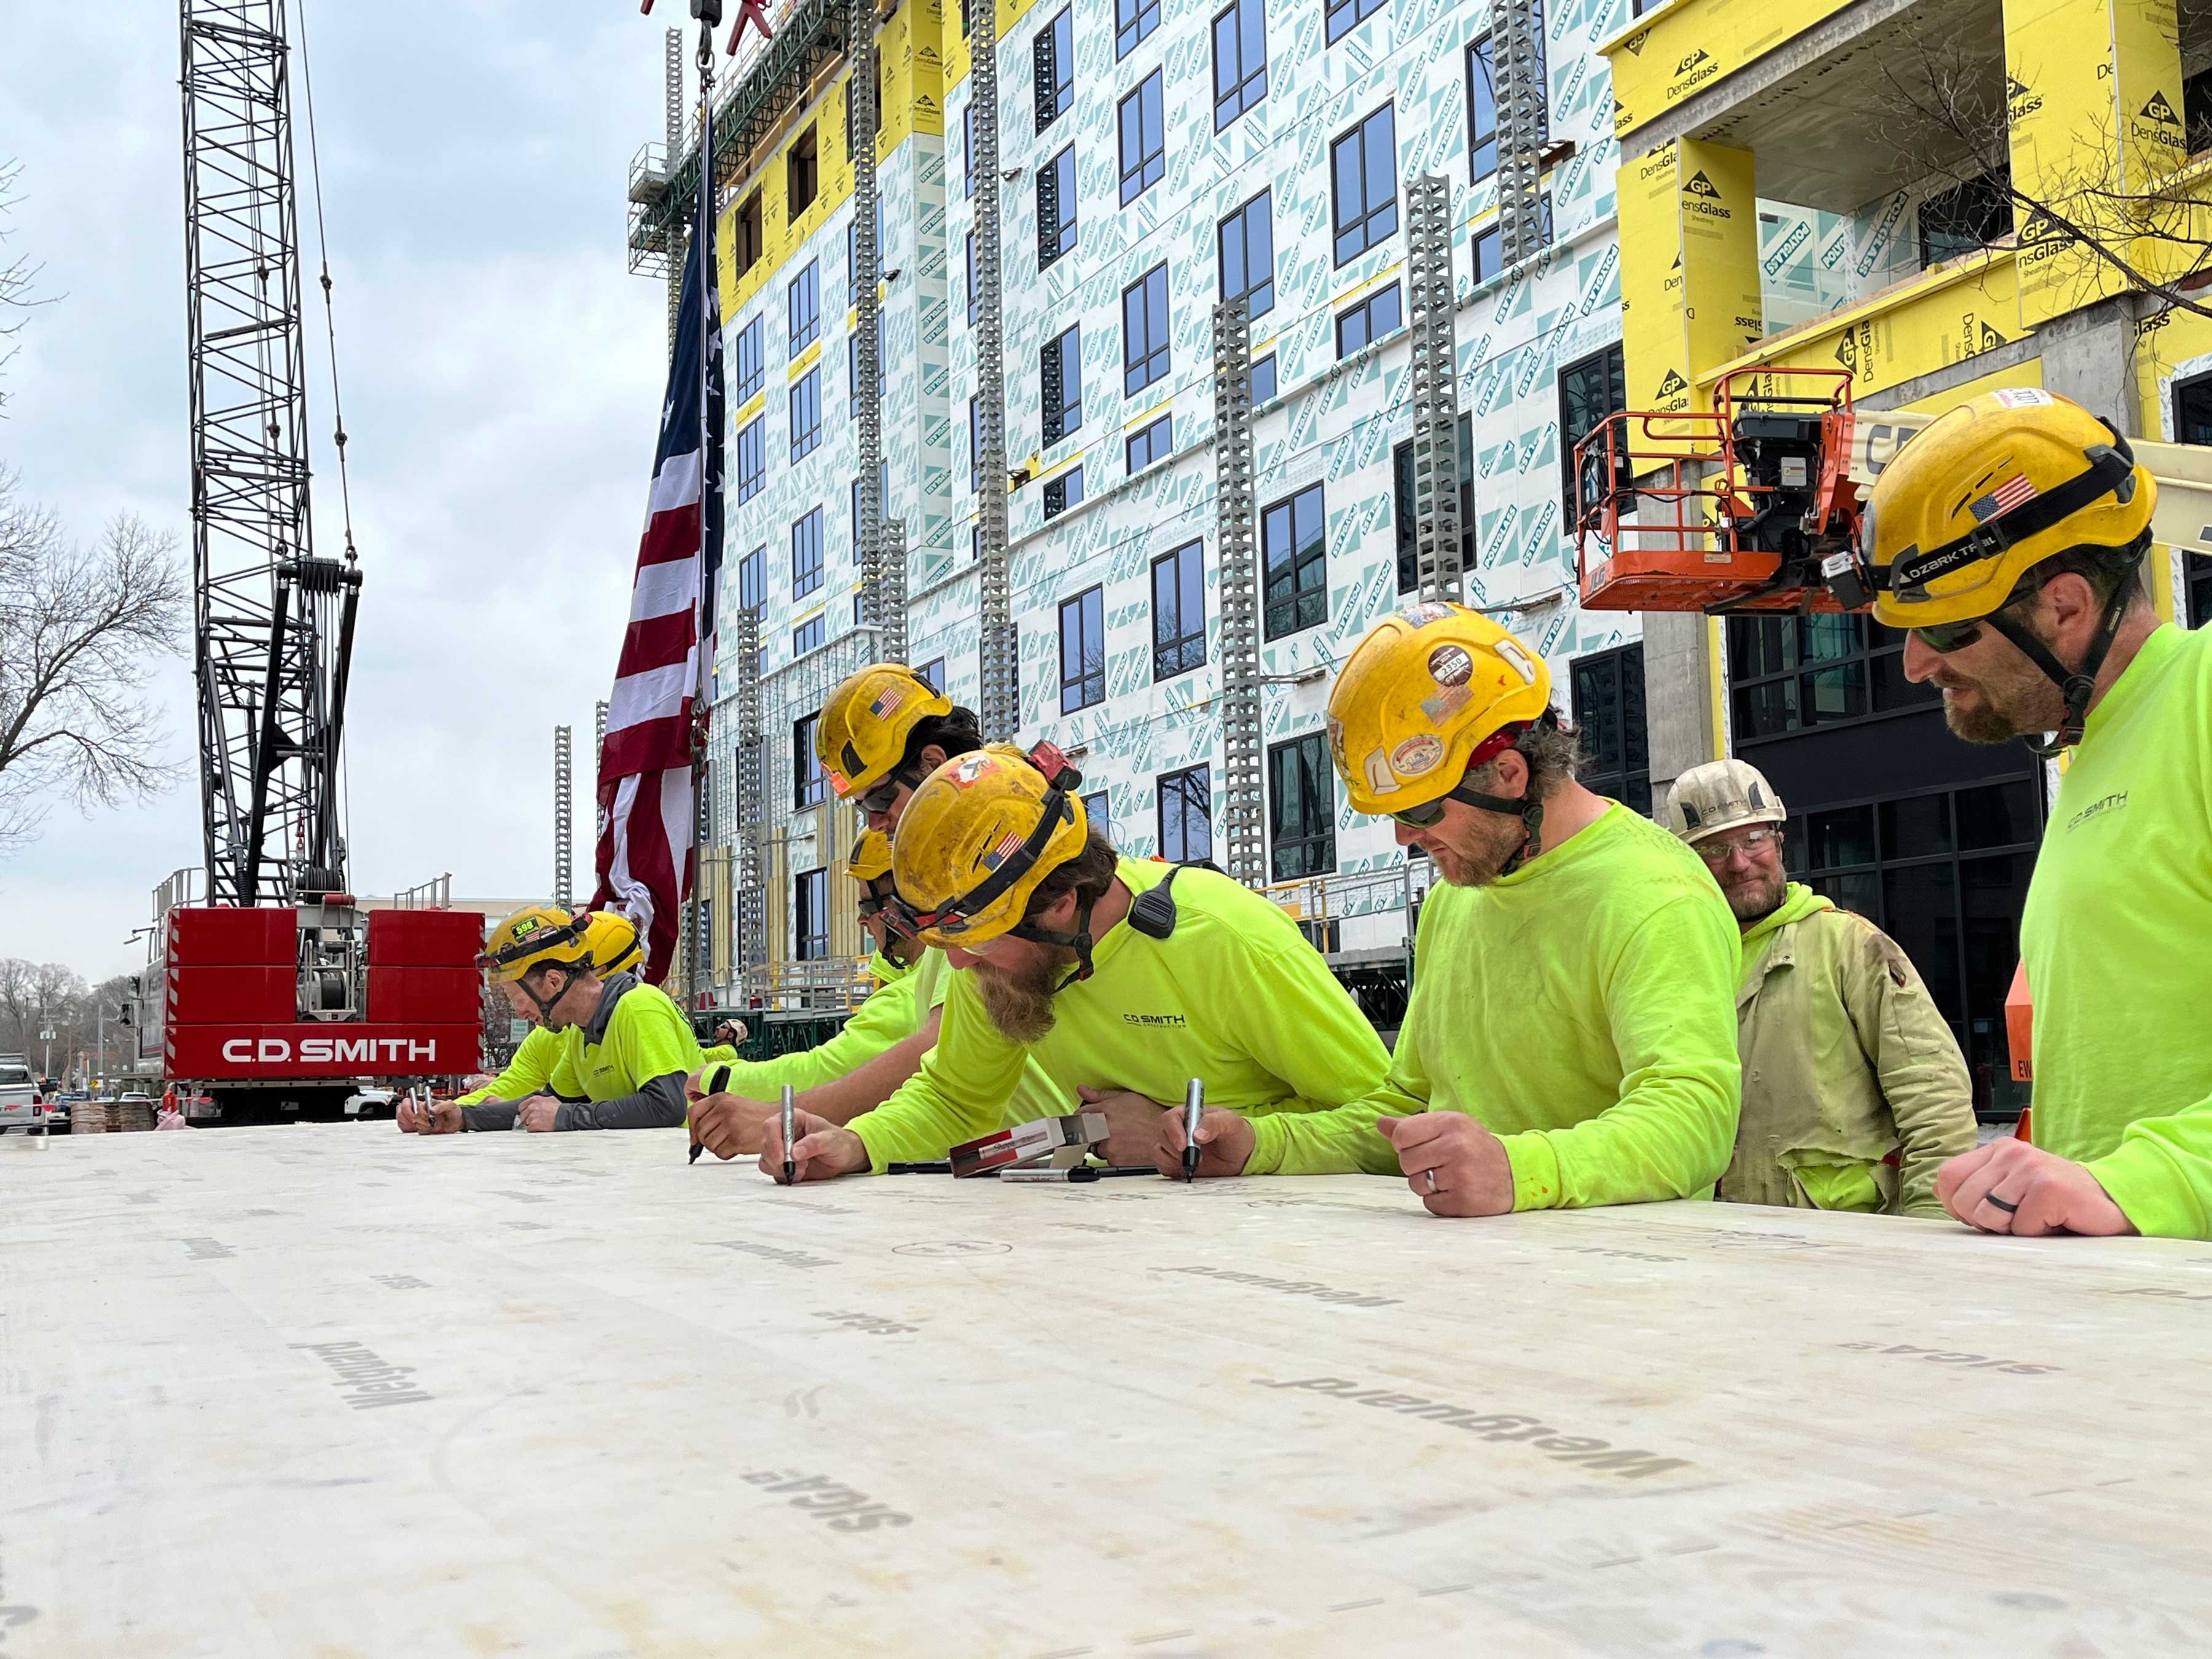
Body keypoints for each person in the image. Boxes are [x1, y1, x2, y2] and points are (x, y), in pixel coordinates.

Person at [1170, 604, 1741, 1215]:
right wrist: (1261, 1144)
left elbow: (1693, 1122)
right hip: (1473, 1279)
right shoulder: (1456, 898)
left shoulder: (1655, 897)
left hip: (1622, 1280)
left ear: (1508, 774)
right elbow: (1410, 1109)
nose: (1404, 839)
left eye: (1419, 813)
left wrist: (1518, 1171)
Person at [1864, 387, 2212, 1239]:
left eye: (1944, 632)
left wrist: (2146, 1182)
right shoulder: (2095, 751)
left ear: (2064, 605)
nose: (1913, 666)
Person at [763, 743, 1392, 1180]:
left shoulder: (1226, 941)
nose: (957, 968)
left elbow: (1389, 1120)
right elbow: (956, 1098)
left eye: (976, 941)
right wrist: (857, 1143)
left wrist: (1225, 1139)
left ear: (1061, 903)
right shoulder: (1005, 967)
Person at [689, 664, 1065, 1156]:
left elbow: (933, 1054)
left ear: (932, 763)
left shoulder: (993, 881)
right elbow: (948, 1086)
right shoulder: (956, 898)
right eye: (862, 807)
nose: (876, 822)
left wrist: (758, 1104)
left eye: (882, 797)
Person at [1660, 758, 1976, 1218]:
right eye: (1713, 848)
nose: (1740, 863)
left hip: (1843, 1240)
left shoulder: (1850, 946)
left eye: (1753, 839)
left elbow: (1932, 1097)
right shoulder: (1675, 963)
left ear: (1779, 842)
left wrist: (1932, 1222)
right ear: (1687, 865)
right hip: (1715, 1238)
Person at [684, 833, 927, 1148]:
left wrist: (721, 1080)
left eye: (868, 906)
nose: (861, 921)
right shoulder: (919, 982)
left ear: (905, 903)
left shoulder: (917, 992)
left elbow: (832, 1069)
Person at [410, 905, 702, 1134]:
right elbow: (543, 1104)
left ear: (553, 982)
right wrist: (461, 1117)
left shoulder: (639, 1007)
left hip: (680, 1180)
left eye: (517, 999)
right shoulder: (580, 1033)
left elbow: (668, 1106)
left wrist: (565, 1117)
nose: (520, 1013)